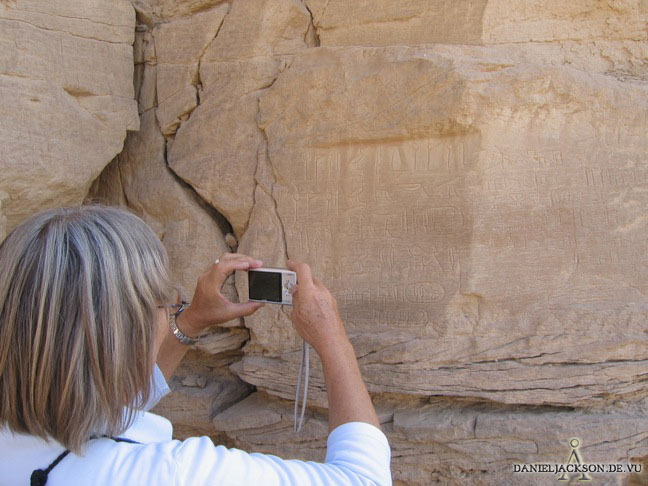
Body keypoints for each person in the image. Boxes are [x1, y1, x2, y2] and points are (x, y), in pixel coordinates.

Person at [0, 206, 391, 485]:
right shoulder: (170, 474)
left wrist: (191, 320)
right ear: (122, 335)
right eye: (163, 304)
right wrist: (332, 337)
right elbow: (364, 479)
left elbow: (107, 401)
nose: (170, 309)